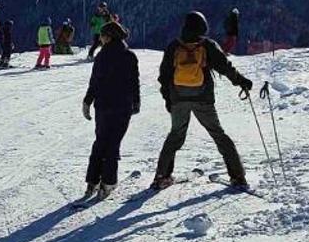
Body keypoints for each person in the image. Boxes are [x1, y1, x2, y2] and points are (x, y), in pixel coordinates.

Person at [154, 11, 253, 190]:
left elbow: (164, 76)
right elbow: (225, 67)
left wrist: (168, 99)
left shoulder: (174, 46)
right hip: (203, 99)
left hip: (178, 99)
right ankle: (238, 176)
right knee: (218, 135)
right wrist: (241, 81)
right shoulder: (207, 45)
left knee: (175, 136)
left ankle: (161, 177)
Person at [80, 20, 139, 203]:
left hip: (103, 106)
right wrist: (136, 103)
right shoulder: (129, 56)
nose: (100, 39)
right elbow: (133, 82)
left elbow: (94, 82)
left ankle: (92, 181)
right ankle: (108, 182)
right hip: (122, 106)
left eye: (102, 36)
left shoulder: (102, 56)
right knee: (113, 144)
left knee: (100, 141)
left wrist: (87, 101)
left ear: (109, 36)